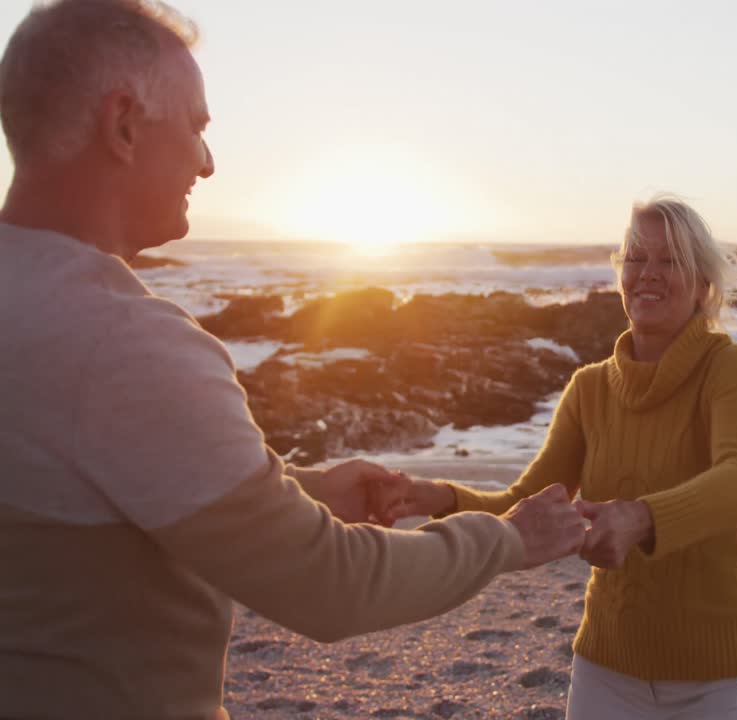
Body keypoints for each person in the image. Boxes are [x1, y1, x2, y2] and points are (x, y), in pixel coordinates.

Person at [0, 2, 584, 718]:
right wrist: (505, 538)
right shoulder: (125, 342)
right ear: (124, 124)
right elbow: (331, 585)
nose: (207, 164)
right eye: (196, 127)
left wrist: (295, 490)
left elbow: (89, 493)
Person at [383, 196, 737, 719]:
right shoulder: (589, 389)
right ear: (620, 274)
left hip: (716, 674)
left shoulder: (729, 367)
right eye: (636, 258)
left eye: (669, 259)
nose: (647, 274)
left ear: (703, 285)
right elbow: (523, 503)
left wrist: (640, 517)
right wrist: (438, 496)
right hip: (607, 665)